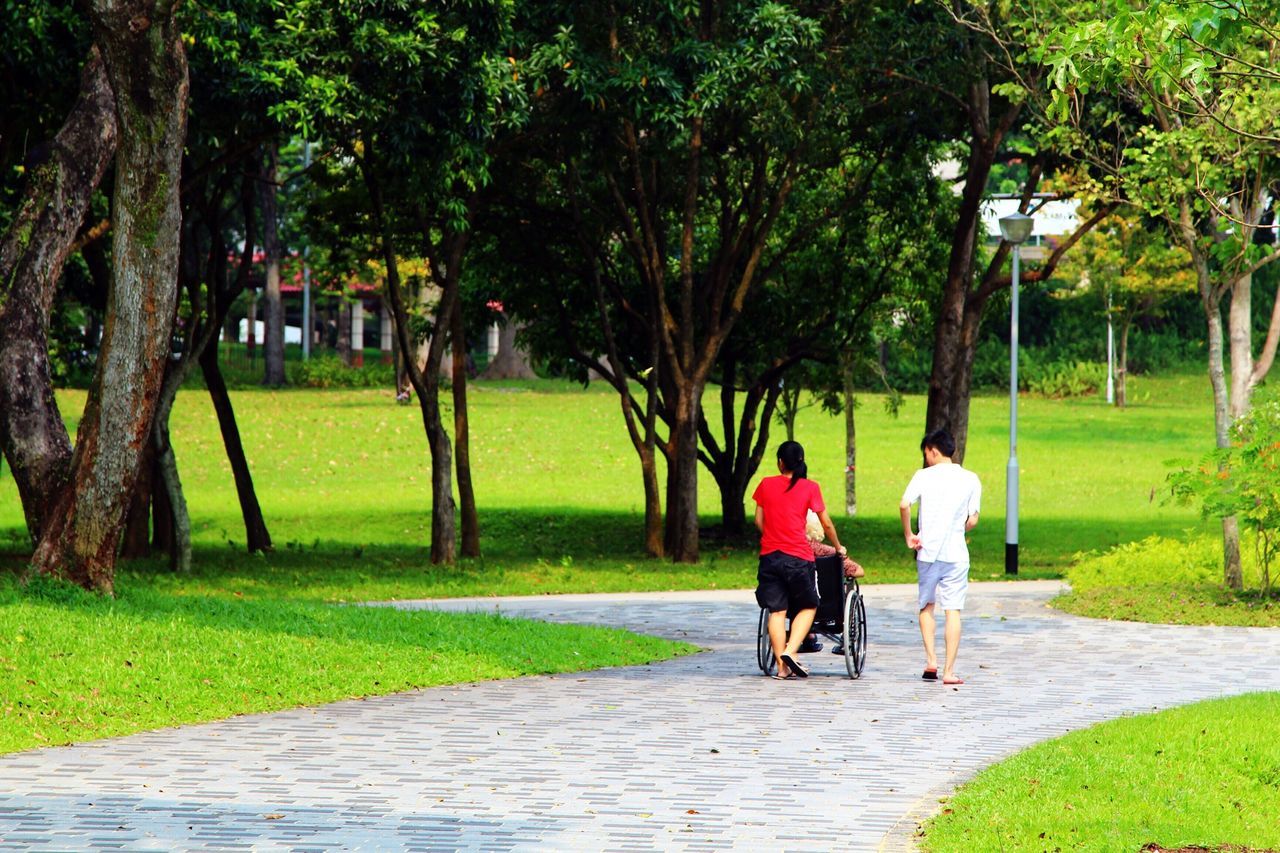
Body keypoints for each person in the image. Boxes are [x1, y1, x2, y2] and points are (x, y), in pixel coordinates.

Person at [753, 440, 848, 679]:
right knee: (809, 606)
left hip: (770, 557)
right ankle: (791, 649)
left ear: (780, 462)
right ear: (801, 462)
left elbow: (758, 521)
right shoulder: (809, 487)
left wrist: (773, 536)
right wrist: (838, 547)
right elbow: (825, 523)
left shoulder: (765, 484)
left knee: (777, 611)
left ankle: (782, 668)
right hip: (798, 558)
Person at [899, 428, 981, 686]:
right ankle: (948, 671)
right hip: (956, 553)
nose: (927, 459)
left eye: (927, 454)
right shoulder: (970, 478)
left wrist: (909, 534)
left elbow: (904, 504)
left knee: (927, 606)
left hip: (927, 551)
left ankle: (931, 661)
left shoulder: (923, 476)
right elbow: (973, 520)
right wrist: (958, 527)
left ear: (934, 451)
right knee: (953, 610)